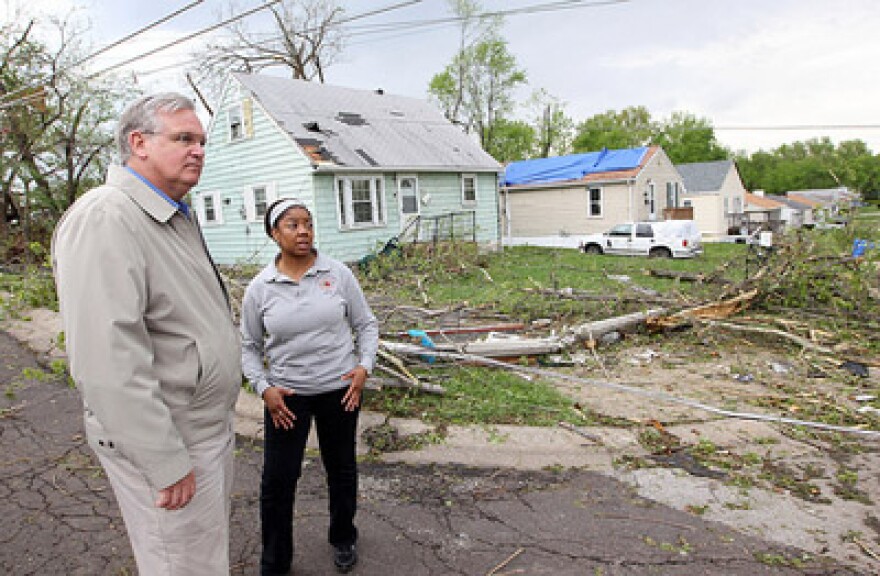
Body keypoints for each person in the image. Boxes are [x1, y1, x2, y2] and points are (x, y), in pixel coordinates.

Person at [51, 93, 242, 575]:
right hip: (170, 441)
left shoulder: (174, 215)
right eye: (183, 138)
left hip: (203, 430)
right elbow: (105, 361)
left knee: (203, 561)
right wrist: (163, 460)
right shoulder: (107, 217)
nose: (198, 149)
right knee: (182, 566)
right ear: (138, 143)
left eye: (201, 140)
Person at [240, 198, 379, 575]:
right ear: (274, 233)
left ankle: (343, 536)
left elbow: (366, 325)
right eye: (292, 224)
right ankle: (275, 560)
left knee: (342, 468)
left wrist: (363, 368)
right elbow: (249, 347)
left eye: (308, 223)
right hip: (287, 398)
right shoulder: (261, 288)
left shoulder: (337, 274)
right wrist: (263, 388)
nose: (303, 231)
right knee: (278, 480)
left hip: (340, 390)